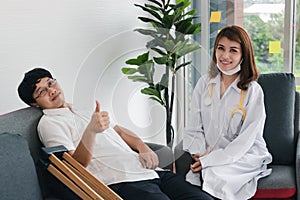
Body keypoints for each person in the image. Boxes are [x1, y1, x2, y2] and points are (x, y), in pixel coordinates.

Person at [17, 68, 213, 200]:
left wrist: (142, 147)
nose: (51, 90)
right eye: (41, 91)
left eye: (50, 83)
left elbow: (118, 130)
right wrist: (91, 131)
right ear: (34, 104)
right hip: (120, 182)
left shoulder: (83, 107)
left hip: (149, 171)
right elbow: (73, 167)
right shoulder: (49, 123)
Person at [183, 25, 272, 200]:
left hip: (243, 156)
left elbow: (247, 139)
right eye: (221, 48)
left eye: (233, 50)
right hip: (208, 153)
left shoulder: (253, 91)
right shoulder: (204, 83)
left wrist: (210, 160)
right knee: (194, 179)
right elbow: (194, 126)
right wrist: (200, 153)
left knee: (217, 175)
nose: (225, 56)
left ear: (243, 56)